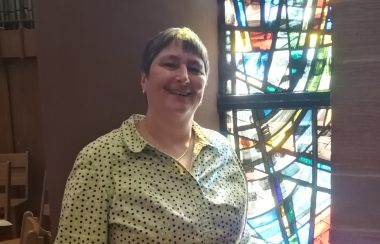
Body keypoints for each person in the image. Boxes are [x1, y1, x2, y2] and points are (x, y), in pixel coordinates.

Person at [54, 27, 248, 244]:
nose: (184, 77)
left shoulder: (222, 151)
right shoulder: (100, 159)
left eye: (195, 68)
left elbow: (242, 236)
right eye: (170, 64)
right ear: (144, 79)